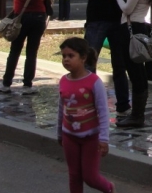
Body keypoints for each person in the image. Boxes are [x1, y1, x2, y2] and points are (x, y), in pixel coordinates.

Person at [82, 0, 131, 117]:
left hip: (118, 19)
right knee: (89, 62)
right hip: (96, 19)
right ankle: (88, 103)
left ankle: (123, 105)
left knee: (120, 65)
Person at [57, 37, 114, 193]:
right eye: (64, 56)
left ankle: (108, 188)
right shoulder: (63, 81)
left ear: (83, 58)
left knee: (90, 177)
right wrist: (59, 133)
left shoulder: (94, 82)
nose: (66, 60)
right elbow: (61, 108)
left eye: (71, 56)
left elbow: (103, 112)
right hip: (69, 136)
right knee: (74, 176)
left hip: (91, 138)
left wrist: (103, 139)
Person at [111, 0, 152, 127]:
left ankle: (137, 115)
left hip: (130, 29)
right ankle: (138, 114)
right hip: (139, 27)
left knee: (134, 71)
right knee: (139, 71)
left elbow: (127, 9)